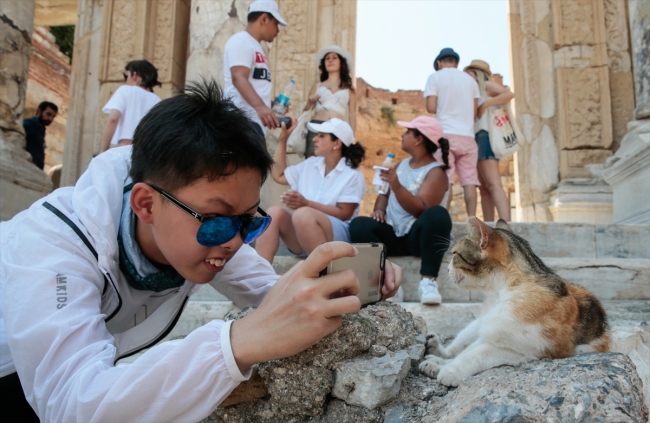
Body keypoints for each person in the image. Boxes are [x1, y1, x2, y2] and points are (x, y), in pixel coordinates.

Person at [0, 80, 402, 422]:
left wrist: (353, 288)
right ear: (145, 204)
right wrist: (237, 343)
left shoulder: (205, 227)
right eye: (218, 219)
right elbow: (71, 405)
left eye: (249, 221)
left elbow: (272, 293)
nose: (233, 241)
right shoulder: (55, 245)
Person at [350, 116, 452, 306]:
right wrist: (379, 210)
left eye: (407, 132)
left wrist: (397, 185)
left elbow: (421, 209)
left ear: (418, 139)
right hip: (392, 234)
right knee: (359, 225)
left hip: (418, 238)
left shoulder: (436, 172)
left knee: (438, 214)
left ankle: (428, 281)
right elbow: (383, 193)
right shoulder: (400, 165)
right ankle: (386, 281)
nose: (402, 135)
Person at [255, 118, 366, 263]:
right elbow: (278, 175)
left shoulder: (352, 175)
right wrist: (283, 140)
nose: (314, 139)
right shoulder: (310, 164)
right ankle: (259, 275)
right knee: (273, 213)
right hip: (303, 232)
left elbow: (344, 214)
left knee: (303, 214)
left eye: (321, 136)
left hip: (336, 239)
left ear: (337, 143)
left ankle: (326, 274)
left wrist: (306, 203)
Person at [424, 47, 480, 216]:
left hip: (446, 136)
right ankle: (473, 224)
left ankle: (443, 222)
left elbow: (431, 107)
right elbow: (475, 113)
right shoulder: (471, 81)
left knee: (446, 181)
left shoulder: (435, 77)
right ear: (456, 62)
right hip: (468, 137)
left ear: (439, 63)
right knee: (469, 183)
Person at [223, 0, 286, 137]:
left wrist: (270, 104)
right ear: (264, 19)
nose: (277, 31)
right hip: (240, 121)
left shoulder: (255, 46)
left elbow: (252, 83)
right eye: (275, 24)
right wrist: (261, 107)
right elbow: (238, 77)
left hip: (253, 124)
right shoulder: (241, 40)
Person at [464, 60, 514, 221]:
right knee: (483, 188)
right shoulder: (471, 92)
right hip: (475, 138)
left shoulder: (485, 85)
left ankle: (505, 224)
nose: (466, 76)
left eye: (470, 72)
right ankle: (489, 224)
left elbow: (509, 94)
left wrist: (486, 104)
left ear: (477, 73)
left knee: (493, 184)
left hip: (485, 135)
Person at [302, 45, 357, 157]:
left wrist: (351, 137)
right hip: (316, 126)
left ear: (341, 63)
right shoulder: (317, 86)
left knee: (333, 163)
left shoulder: (350, 89)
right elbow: (306, 110)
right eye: (327, 58)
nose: (330, 60)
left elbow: (353, 115)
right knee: (311, 163)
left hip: (337, 129)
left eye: (334, 57)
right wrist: (310, 102)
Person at [100, 60, 162, 153]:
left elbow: (113, 118)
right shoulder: (158, 101)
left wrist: (103, 150)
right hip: (147, 155)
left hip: (125, 148)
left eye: (126, 75)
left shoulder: (125, 90)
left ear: (135, 75)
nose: (126, 80)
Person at [23, 101, 58, 170]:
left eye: (53, 117)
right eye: (48, 114)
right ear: (39, 111)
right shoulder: (29, 124)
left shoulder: (41, 129)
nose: (51, 119)